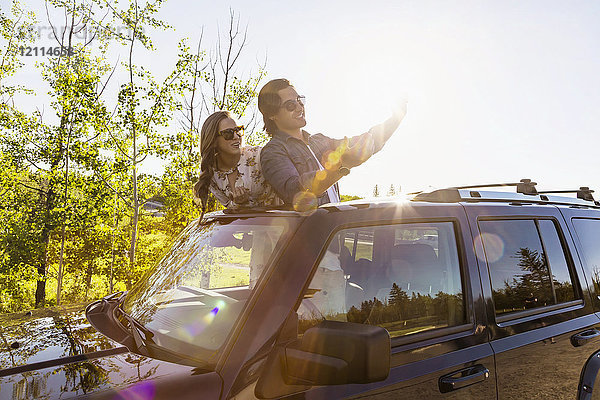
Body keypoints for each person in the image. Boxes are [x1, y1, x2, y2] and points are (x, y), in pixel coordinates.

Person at [258, 78, 407, 210]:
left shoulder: (320, 141)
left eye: (299, 100)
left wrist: (396, 118)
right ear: (272, 114)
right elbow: (294, 191)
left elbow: (368, 142)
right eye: (290, 105)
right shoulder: (273, 151)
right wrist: (343, 166)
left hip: (333, 234)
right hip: (305, 237)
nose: (299, 107)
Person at [193, 111, 281, 212]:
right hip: (248, 226)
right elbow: (230, 209)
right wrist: (239, 203)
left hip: (282, 223)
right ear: (213, 141)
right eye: (228, 133)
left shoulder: (259, 156)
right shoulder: (210, 172)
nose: (236, 137)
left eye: (238, 130)